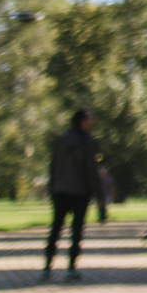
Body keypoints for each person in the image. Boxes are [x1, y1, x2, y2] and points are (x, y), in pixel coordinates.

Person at [43, 109, 100, 282]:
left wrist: (52, 186)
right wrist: (97, 193)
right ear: (82, 121)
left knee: (56, 228)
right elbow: (90, 169)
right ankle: (71, 269)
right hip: (80, 192)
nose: (93, 121)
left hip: (60, 190)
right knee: (76, 232)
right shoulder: (88, 142)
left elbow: (53, 164)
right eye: (90, 118)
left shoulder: (61, 140)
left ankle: (46, 267)